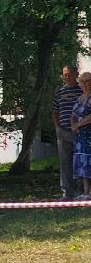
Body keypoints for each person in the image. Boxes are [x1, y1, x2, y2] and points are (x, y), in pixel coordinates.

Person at [52, 65, 82, 201]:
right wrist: (57, 127)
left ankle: (82, 191)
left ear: (76, 74)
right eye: (64, 74)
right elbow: (54, 111)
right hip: (63, 132)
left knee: (81, 161)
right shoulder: (59, 92)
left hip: (80, 132)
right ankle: (67, 192)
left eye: (69, 74)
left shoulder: (82, 89)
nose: (67, 77)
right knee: (65, 163)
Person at [70, 70, 91, 201]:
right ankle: (85, 192)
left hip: (89, 134)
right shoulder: (79, 98)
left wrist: (78, 125)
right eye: (83, 82)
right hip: (80, 137)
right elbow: (73, 114)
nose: (85, 84)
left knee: (90, 162)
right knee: (82, 163)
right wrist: (73, 125)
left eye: (88, 82)